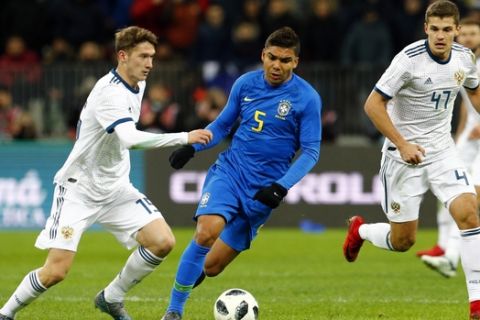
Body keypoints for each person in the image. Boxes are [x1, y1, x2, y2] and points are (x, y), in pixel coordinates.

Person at [0, 26, 212, 320]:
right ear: (123, 56)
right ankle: (5, 313)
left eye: (152, 57)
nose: (150, 63)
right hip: (79, 188)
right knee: (56, 271)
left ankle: (111, 297)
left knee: (162, 241)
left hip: (115, 188)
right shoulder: (109, 93)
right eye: (143, 56)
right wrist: (184, 137)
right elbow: (131, 139)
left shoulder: (138, 83)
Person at [161, 26, 322, 320]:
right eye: (272, 57)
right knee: (206, 232)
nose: (277, 65)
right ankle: (174, 310)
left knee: (211, 267)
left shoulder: (307, 98)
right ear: (263, 55)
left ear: (296, 62)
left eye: (285, 60)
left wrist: (280, 187)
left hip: (263, 192)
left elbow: (311, 151)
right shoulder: (245, 85)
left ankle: (187, 279)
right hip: (230, 173)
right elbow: (222, 126)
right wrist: (192, 146)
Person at [342, 1, 480, 319]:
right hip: (403, 158)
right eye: (435, 29)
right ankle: (360, 231)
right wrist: (402, 144)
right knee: (403, 240)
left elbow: (473, 90)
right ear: (426, 29)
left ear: (457, 31)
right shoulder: (408, 60)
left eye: (448, 29)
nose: (441, 36)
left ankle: (475, 302)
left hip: (443, 150)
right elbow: (373, 104)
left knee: (469, 213)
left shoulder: (464, 58)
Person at [418, 17, 480, 278]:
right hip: (468, 137)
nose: (467, 38)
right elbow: (466, 104)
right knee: (455, 192)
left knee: (471, 199)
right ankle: (446, 249)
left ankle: (451, 256)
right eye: (464, 33)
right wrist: (460, 134)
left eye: (473, 33)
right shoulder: (463, 62)